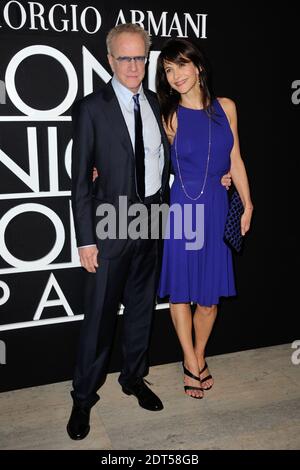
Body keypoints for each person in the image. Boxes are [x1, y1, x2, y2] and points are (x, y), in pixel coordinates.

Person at [69, 24, 231, 440]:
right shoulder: (92, 107)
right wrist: (85, 238)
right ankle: (84, 396)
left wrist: (222, 175)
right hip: (112, 222)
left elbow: (185, 153)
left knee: (142, 310)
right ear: (109, 60)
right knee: (101, 316)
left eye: (140, 57)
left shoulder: (160, 105)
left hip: (158, 217)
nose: (133, 65)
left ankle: (134, 378)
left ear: (147, 59)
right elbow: (80, 182)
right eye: (124, 58)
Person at [156, 38, 253, 399]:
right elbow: (147, 159)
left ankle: (198, 354)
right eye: (168, 69)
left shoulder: (226, 107)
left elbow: (236, 159)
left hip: (215, 205)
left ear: (198, 67)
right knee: (181, 291)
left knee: (209, 298)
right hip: (183, 208)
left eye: (181, 65)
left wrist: (247, 201)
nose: (175, 75)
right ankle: (190, 360)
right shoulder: (169, 116)